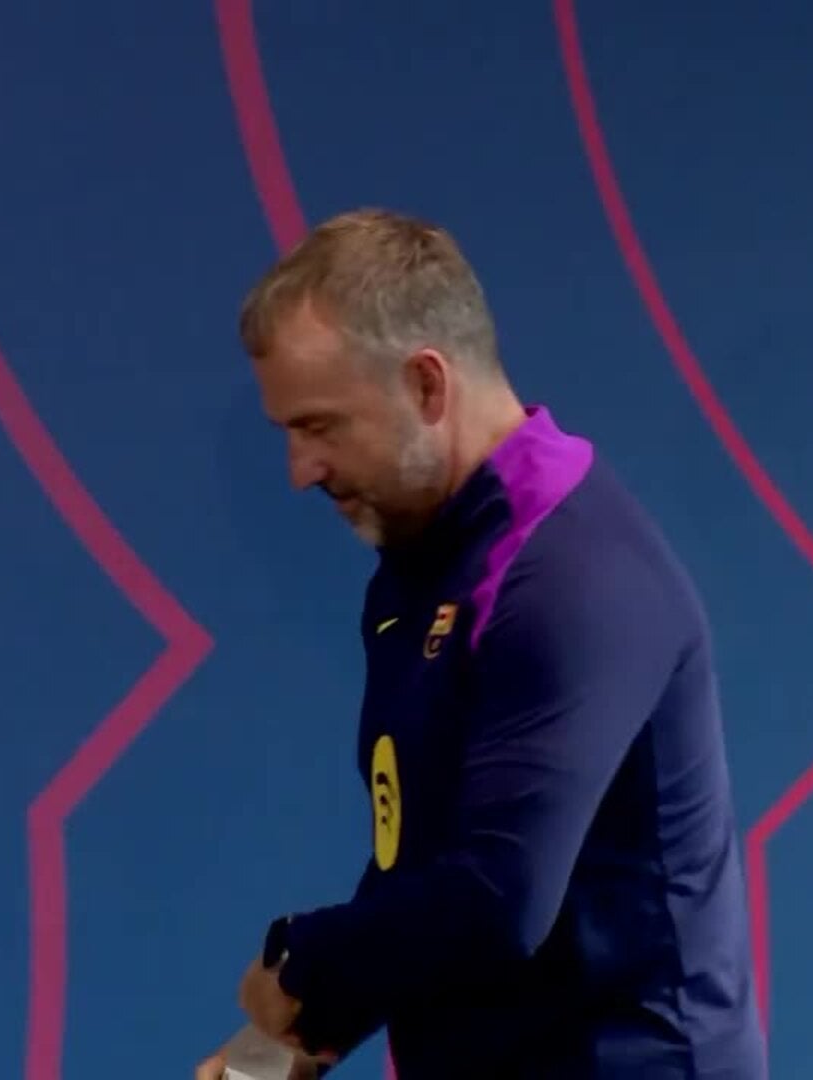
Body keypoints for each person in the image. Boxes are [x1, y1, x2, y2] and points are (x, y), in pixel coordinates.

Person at [195, 209, 767, 1079]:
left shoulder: (572, 581)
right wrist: (276, 1052)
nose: (300, 471)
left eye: (319, 427)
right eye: (290, 434)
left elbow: (498, 897)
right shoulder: (420, 561)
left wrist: (301, 965)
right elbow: (423, 864)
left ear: (427, 385)